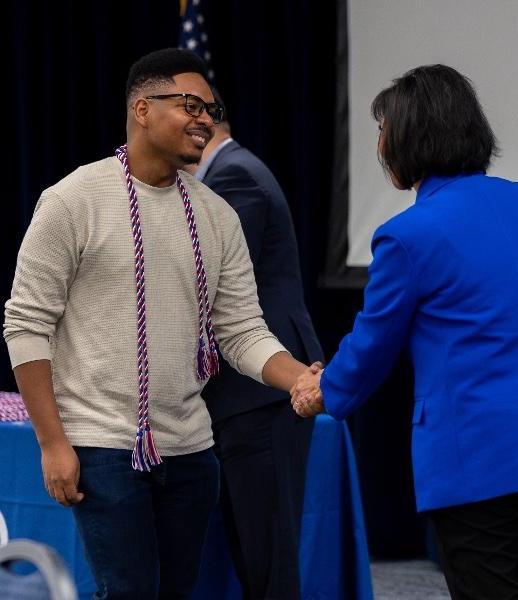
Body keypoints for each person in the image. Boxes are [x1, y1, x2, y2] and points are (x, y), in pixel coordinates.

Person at [3, 48, 315, 600]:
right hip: (102, 447)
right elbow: (26, 324)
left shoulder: (216, 215)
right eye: (191, 105)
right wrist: (53, 443)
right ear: (142, 109)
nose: (206, 120)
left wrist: (302, 379)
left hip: (192, 450)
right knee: (130, 593)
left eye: (211, 110)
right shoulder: (74, 199)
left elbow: (242, 330)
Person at [291, 64, 518, 600]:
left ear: (409, 136)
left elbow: (371, 345)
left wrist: (322, 391)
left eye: (384, 130)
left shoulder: (407, 236)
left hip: (477, 460)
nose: (381, 145)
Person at [186, 88, 323, 600]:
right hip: (247, 394)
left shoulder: (234, 177)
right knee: (252, 551)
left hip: (260, 393)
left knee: (266, 559)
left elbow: (207, 286)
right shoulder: (231, 172)